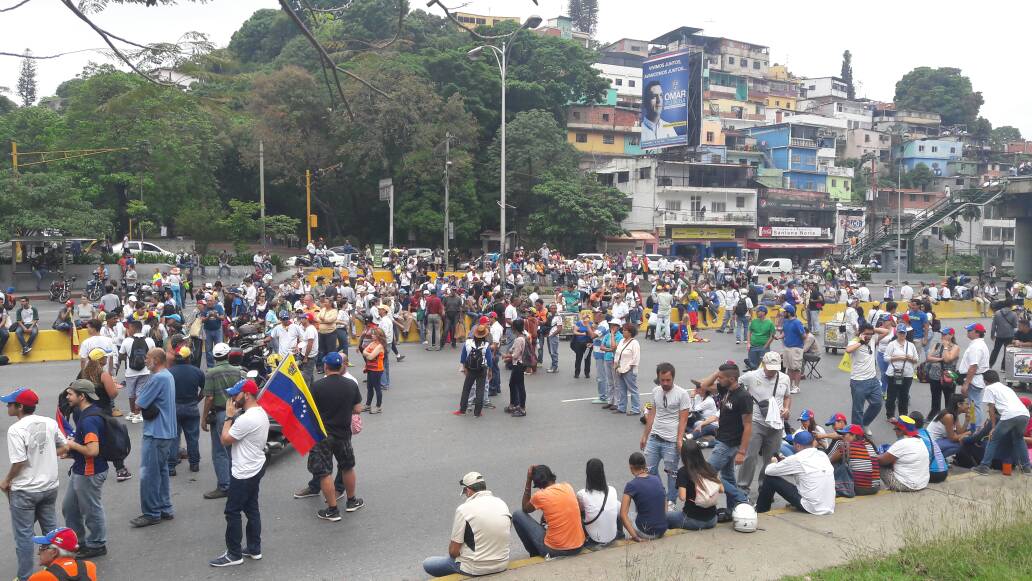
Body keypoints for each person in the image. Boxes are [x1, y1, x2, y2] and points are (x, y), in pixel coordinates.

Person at [2, 388, 67, 581]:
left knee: (23, 536)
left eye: (10, 403)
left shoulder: (16, 429)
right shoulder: (49, 422)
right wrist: (45, 455)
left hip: (25, 490)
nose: (7, 406)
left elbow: (19, 461)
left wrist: (6, 480)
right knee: (52, 533)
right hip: (49, 487)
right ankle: (58, 572)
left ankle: (25, 577)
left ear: (20, 407)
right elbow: (64, 446)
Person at [209, 378, 270, 567]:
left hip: (244, 471)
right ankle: (254, 548)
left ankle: (234, 554)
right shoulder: (259, 413)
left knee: (232, 511)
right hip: (256, 465)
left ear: (248, 395)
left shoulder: (247, 418)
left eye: (236, 394)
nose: (232, 398)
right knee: (251, 507)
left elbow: (225, 439)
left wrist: (228, 417)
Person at [295, 352, 365, 516]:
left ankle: (332, 510)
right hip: (343, 434)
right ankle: (352, 501)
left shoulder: (317, 386)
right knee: (347, 467)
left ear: (326, 366)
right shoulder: (351, 385)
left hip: (323, 436)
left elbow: (310, 411)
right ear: (341, 366)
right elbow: (358, 409)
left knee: (325, 472)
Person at [422, 472, 512, 577]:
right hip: (502, 564)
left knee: (428, 563)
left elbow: (453, 552)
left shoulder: (463, 509)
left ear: (468, 490)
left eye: (465, 492)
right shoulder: (501, 503)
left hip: (474, 568)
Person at [60, 380, 109, 559]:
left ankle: (97, 544)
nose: (67, 397)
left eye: (70, 394)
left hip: (90, 471)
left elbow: (93, 450)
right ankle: (79, 542)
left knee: (91, 509)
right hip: (81, 468)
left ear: (82, 396)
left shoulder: (89, 420)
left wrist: (71, 445)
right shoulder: (86, 413)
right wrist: (73, 453)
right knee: (69, 507)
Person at [130, 349, 177, 528]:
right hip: (167, 431)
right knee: (162, 471)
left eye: (148, 358)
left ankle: (151, 512)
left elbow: (138, 403)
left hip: (156, 432)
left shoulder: (157, 378)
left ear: (156, 360)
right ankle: (165, 507)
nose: (145, 360)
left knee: (149, 474)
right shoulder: (168, 375)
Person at [737, 351, 791, 492]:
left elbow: (787, 396)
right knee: (750, 456)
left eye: (775, 369)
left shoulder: (784, 378)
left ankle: (765, 486)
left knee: (771, 458)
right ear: (764, 365)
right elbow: (736, 385)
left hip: (776, 424)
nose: (772, 372)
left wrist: (786, 409)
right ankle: (743, 486)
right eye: (770, 369)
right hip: (756, 422)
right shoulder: (752, 376)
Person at [640, 362, 691, 511]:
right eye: (662, 380)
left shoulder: (682, 394)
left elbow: (683, 420)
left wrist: (679, 440)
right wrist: (645, 436)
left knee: (672, 473)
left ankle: (671, 502)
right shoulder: (655, 391)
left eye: (668, 380)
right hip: (654, 438)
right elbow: (652, 414)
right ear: (658, 378)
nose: (665, 383)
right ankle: (660, 494)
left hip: (671, 441)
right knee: (649, 470)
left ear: (673, 378)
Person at [200, 343, 243, 500]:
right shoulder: (237, 371)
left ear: (214, 356)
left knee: (219, 450)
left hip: (221, 414)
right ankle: (236, 482)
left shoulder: (211, 373)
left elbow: (209, 397)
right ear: (228, 354)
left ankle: (224, 485)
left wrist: (204, 417)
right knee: (234, 449)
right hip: (236, 412)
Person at [755, 430, 835, 515]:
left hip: (812, 508)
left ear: (797, 445)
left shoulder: (797, 459)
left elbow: (768, 471)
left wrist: (774, 462)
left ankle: (761, 511)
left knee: (770, 479)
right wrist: (785, 462)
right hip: (829, 506)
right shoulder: (823, 455)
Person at [512, 465, 584, 558]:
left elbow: (525, 509)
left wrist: (528, 480)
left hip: (555, 550)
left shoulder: (540, 496)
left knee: (518, 515)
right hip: (578, 546)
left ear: (538, 484)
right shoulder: (567, 486)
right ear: (551, 476)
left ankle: (534, 553)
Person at [707, 361, 752, 509]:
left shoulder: (743, 397)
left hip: (729, 443)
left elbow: (748, 425)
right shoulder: (726, 390)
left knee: (706, 473)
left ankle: (742, 498)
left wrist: (742, 451)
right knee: (728, 477)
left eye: (721, 378)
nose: (718, 380)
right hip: (723, 439)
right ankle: (733, 509)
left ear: (732, 379)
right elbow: (704, 386)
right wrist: (717, 373)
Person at [973, 370, 1032, 475]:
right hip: (1024, 414)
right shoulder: (1006, 388)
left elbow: (991, 409)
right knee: (1019, 439)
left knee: (993, 438)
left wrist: (993, 427)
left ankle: (984, 466)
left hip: (1010, 414)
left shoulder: (989, 388)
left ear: (986, 381)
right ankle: (1027, 468)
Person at [665, 440, 720, 531]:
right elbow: (721, 489)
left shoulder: (683, 472)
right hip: (712, 520)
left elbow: (682, 497)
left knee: (665, 516)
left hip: (692, 520)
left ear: (684, 455)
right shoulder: (709, 467)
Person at [167, 344, 205, 476]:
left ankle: (171, 467)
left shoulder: (170, 372)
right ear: (189, 358)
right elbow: (205, 390)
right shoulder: (197, 371)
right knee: (192, 437)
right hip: (191, 407)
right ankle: (194, 464)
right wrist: (197, 400)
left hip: (174, 408)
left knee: (173, 438)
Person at [847, 323, 889, 430]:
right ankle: (857, 434)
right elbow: (848, 350)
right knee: (858, 410)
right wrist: (861, 341)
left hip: (872, 380)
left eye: (871, 334)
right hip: (858, 381)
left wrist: (872, 329)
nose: (869, 336)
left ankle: (864, 424)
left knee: (877, 404)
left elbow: (886, 332)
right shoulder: (854, 341)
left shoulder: (873, 339)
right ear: (861, 333)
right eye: (867, 334)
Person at [619, 452, 668, 541]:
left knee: (626, 515)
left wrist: (636, 537)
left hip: (646, 533)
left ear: (631, 467)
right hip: (662, 529)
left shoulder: (631, 485)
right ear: (645, 465)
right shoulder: (656, 479)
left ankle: (625, 537)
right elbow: (665, 499)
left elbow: (623, 515)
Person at [878, 416, 930, 492]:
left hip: (906, 486)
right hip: (923, 483)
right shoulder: (920, 441)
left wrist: (871, 456)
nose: (894, 431)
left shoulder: (901, 444)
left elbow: (882, 460)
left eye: (895, 429)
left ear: (901, 431)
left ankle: (871, 487)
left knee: (876, 463)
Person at [827, 424, 881, 496]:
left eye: (844, 435)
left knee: (835, 464)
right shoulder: (869, 445)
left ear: (853, 435)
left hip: (859, 489)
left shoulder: (846, 446)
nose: (842, 437)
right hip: (874, 488)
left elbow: (828, 462)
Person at [576, 459, 619, 547]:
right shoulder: (612, 490)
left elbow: (580, 511)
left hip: (594, 539)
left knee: (578, 513)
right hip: (613, 536)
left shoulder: (582, 494)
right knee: (617, 506)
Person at [120, 319, 156, 423]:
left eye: (129, 328)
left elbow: (121, 355)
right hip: (145, 371)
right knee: (140, 392)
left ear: (134, 328)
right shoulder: (149, 340)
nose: (128, 330)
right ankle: (137, 413)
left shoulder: (127, 341)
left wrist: (128, 356)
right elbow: (154, 354)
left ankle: (133, 413)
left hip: (130, 372)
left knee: (131, 393)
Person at [27, 528, 98, 581]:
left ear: (54, 552)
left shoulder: (39, 578)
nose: (38, 553)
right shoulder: (89, 567)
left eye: (42, 547)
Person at [455, 324, 494, 417]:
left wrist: (464, 368)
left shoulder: (468, 343)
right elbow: (489, 359)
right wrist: (490, 371)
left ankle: (462, 410)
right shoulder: (486, 345)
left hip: (470, 369)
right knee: (480, 389)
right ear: (485, 335)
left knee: (466, 389)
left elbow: (463, 357)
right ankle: (477, 412)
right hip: (482, 369)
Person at [959, 323, 990, 429]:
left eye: (969, 331)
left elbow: (973, 366)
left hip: (974, 379)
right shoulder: (978, 344)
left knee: (974, 405)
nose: (967, 332)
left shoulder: (976, 347)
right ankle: (973, 426)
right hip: (976, 378)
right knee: (973, 405)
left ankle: (975, 428)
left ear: (977, 333)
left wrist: (966, 383)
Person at [884, 324, 919, 419]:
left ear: (906, 333)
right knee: (891, 395)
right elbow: (886, 358)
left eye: (903, 333)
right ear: (897, 333)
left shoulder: (911, 345)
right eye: (900, 333)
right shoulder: (892, 344)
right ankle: (890, 415)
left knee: (904, 395)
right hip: (893, 374)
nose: (902, 335)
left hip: (907, 374)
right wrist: (898, 357)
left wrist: (910, 358)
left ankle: (903, 415)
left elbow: (916, 359)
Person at [925, 327, 960, 417]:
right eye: (942, 334)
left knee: (949, 400)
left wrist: (945, 347)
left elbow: (948, 359)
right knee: (935, 399)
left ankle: (949, 417)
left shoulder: (955, 347)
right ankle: (935, 416)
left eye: (945, 334)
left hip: (948, 377)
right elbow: (928, 358)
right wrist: (940, 359)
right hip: (934, 376)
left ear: (951, 335)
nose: (942, 336)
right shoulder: (936, 345)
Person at [927, 394, 970, 459]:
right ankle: (935, 460)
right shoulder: (948, 416)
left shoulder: (954, 414)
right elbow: (952, 438)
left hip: (938, 441)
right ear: (959, 404)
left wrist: (966, 421)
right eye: (967, 404)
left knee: (962, 439)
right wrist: (967, 434)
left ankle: (938, 459)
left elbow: (959, 432)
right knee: (959, 445)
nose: (969, 406)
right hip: (931, 444)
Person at [612, 322, 642, 415]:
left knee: (633, 390)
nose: (623, 331)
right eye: (623, 330)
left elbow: (636, 358)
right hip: (619, 368)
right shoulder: (621, 341)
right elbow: (617, 354)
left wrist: (629, 368)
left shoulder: (635, 343)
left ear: (630, 332)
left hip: (629, 370)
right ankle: (622, 407)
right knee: (622, 389)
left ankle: (636, 409)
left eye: (625, 330)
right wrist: (616, 365)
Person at [778, 304, 806, 394]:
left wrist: (798, 343)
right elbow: (784, 333)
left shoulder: (797, 322)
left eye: (784, 312)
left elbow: (804, 335)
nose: (783, 313)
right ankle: (790, 386)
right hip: (787, 347)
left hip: (796, 348)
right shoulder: (786, 322)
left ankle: (797, 387)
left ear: (789, 313)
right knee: (789, 368)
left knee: (796, 368)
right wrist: (778, 337)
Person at [505, 319, 529, 417]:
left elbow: (515, 355)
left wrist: (507, 357)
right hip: (518, 364)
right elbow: (513, 350)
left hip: (518, 364)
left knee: (519, 386)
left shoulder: (519, 339)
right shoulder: (521, 337)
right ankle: (514, 404)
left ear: (514, 328)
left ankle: (522, 408)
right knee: (513, 384)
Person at [362, 328, 387, 414]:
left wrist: (369, 354)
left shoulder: (380, 346)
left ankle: (378, 406)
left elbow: (369, 357)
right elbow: (364, 352)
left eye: (374, 334)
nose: (371, 335)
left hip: (377, 369)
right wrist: (370, 354)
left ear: (378, 336)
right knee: (369, 387)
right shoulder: (372, 343)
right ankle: (368, 405)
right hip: (370, 368)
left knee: (377, 388)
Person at [989, 301, 1018, 369]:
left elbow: (993, 326)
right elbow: (1015, 325)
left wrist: (992, 335)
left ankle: (990, 365)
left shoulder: (997, 313)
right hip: (1009, 335)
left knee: (995, 351)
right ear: (1011, 306)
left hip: (999, 335)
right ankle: (1003, 367)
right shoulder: (1014, 314)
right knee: (1006, 351)